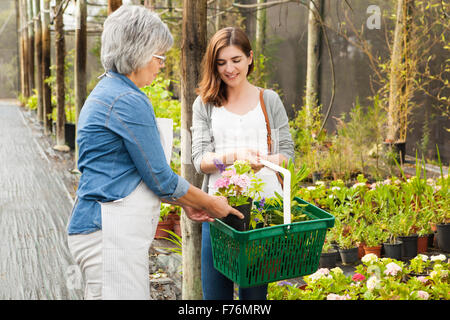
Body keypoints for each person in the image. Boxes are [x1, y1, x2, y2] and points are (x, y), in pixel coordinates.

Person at [66, 5, 243, 300]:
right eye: (159, 57)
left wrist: (185, 203)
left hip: (106, 232)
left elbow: (134, 170)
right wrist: (211, 204)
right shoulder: (126, 99)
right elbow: (160, 177)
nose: (161, 65)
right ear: (137, 53)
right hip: (108, 236)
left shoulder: (110, 91)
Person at [191, 27, 295, 300]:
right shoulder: (205, 104)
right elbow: (200, 160)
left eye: (236, 60)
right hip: (218, 211)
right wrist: (235, 156)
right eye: (221, 62)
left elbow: (287, 153)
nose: (229, 69)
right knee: (215, 296)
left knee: (255, 297)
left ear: (250, 58)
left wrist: (265, 161)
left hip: (262, 213)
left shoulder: (268, 100)